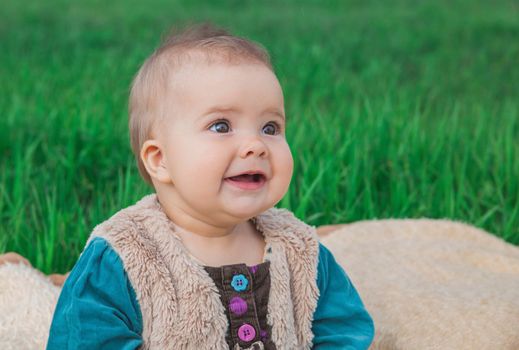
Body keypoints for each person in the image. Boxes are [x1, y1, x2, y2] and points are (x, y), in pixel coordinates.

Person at [46, 23, 375, 350]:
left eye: (270, 127)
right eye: (221, 126)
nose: (255, 145)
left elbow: (343, 329)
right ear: (160, 159)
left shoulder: (299, 249)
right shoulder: (124, 255)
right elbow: (84, 340)